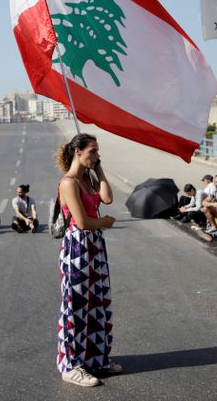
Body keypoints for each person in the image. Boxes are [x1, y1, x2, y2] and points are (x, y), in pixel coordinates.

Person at [55, 133, 119, 387]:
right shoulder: (68, 183)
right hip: (77, 247)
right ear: (78, 151)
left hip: (94, 246)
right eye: (92, 151)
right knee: (76, 305)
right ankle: (71, 365)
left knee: (97, 304)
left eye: (97, 152)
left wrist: (99, 169)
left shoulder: (88, 179)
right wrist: (104, 222)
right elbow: (81, 222)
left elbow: (107, 198)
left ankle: (96, 359)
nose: (96, 155)